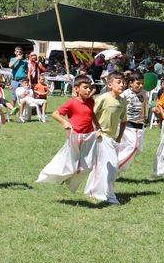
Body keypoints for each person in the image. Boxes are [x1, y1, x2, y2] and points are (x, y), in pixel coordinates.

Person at [36, 75, 103, 195]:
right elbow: (55, 114)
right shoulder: (72, 103)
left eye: (90, 87)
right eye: (85, 87)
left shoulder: (91, 101)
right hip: (75, 135)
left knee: (87, 165)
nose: (89, 90)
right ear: (76, 89)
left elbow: (91, 113)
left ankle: (71, 182)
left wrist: (97, 126)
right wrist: (65, 122)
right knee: (71, 160)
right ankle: (54, 175)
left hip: (88, 136)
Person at [86, 71, 127, 204]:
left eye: (123, 82)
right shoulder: (103, 98)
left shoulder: (122, 101)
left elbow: (124, 120)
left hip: (112, 138)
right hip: (101, 137)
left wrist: (119, 137)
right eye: (118, 82)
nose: (122, 85)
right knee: (112, 166)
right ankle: (109, 196)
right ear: (109, 85)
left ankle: (93, 191)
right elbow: (90, 113)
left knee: (102, 166)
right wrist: (96, 130)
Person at [118, 71, 147, 173]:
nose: (141, 86)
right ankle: (115, 167)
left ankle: (116, 166)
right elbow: (119, 108)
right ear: (131, 83)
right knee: (134, 147)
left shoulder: (144, 94)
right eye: (138, 83)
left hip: (140, 125)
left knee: (137, 150)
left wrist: (144, 118)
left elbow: (144, 107)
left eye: (142, 83)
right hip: (128, 125)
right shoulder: (125, 94)